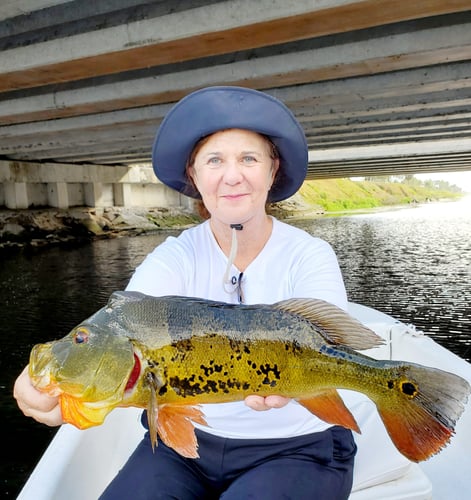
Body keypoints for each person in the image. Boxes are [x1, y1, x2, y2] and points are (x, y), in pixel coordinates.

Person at [14, 86, 357, 499]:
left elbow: (334, 343)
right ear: (194, 176)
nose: (233, 175)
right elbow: (124, 322)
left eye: (249, 158)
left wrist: (295, 386)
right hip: (180, 450)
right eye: (215, 160)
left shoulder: (310, 254)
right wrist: (45, 381)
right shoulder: (175, 257)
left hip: (299, 449)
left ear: (272, 170)